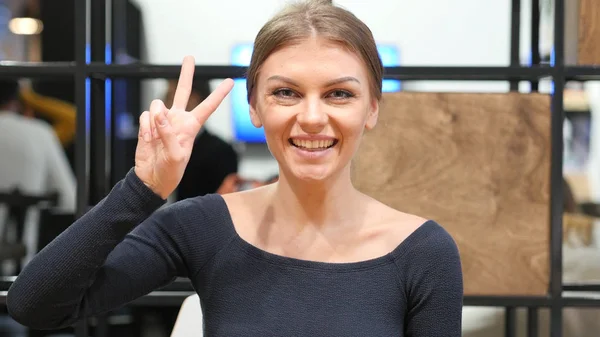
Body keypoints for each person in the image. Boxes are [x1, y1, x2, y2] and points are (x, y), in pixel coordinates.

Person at [6, 1, 463, 335]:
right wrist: (142, 188)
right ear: (256, 108)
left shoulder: (422, 252)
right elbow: (35, 305)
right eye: (285, 92)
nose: (311, 117)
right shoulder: (203, 226)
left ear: (372, 110)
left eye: (339, 94)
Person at [164, 78, 241, 199]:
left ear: (193, 99)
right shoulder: (158, 146)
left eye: (169, 96)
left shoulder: (221, 151)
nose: (164, 103)